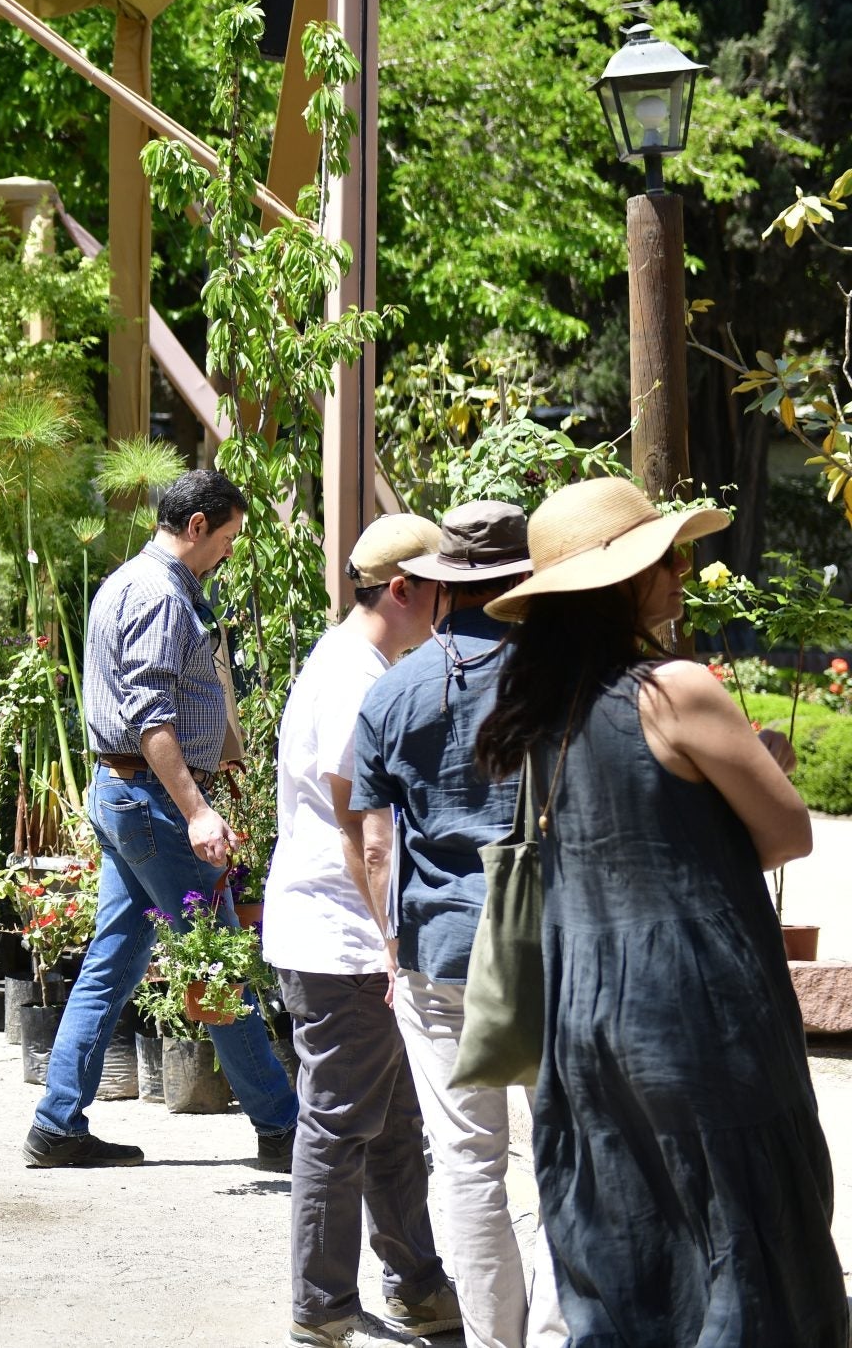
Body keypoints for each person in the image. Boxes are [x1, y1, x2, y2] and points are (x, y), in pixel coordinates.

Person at [474, 478, 844, 1347]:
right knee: (745, 1229)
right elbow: (788, 830)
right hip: (696, 1001)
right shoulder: (672, 689)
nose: (682, 568)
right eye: (664, 557)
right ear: (620, 585)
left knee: (629, 1227)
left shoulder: (542, 711)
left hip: (585, 1011)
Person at [25, 467, 296, 1169]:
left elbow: (165, 696)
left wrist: (221, 746)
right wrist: (198, 808)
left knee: (113, 960)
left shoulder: (136, 582)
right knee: (219, 958)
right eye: (229, 536)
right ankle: (283, 1125)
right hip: (155, 799)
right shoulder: (161, 595)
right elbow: (150, 717)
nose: (231, 551)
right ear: (197, 525)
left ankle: (57, 1124)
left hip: (129, 794)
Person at [345, 502, 568, 1348]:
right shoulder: (562, 676)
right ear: (528, 575)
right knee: (558, 1158)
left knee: (469, 1164)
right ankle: (553, 1332)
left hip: (438, 953)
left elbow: (373, 843)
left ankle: (491, 1339)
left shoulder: (395, 690)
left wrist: (393, 947)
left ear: (440, 584)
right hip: (552, 948)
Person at [265, 513, 463, 1345]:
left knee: (389, 1120)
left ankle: (415, 1282)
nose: (450, 604)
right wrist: (390, 939)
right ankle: (323, 1306)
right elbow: (364, 828)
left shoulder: (361, 660)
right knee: (344, 1121)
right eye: (442, 587)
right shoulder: (357, 675)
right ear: (403, 589)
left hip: (338, 928)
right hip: (342, 933)